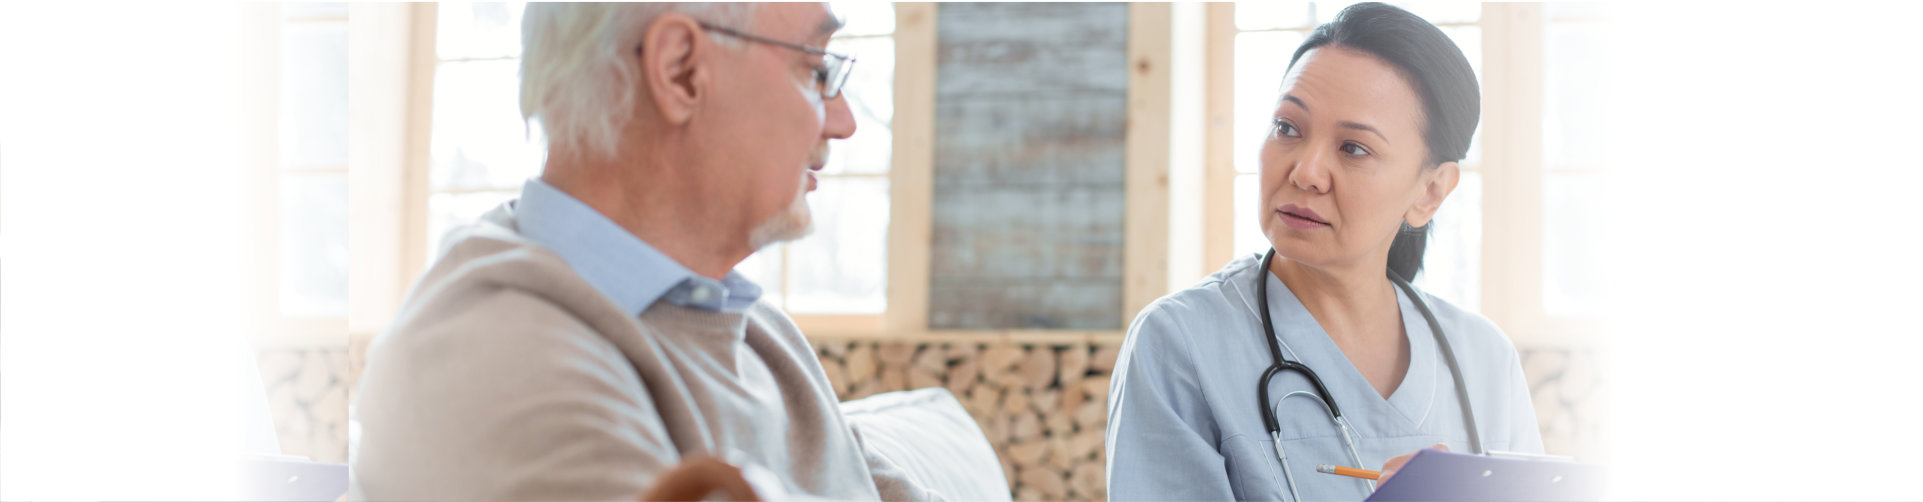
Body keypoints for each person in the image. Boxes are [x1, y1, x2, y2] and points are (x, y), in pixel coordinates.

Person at [350, 3, 935, 500]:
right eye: (815, 70)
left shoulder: (761, 337)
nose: (845, 121)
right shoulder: (490, 360)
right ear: (680, 71)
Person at [1105, 3, 1543, 500]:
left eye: (1354, 148)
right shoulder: (1179, 344)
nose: (1305, 171)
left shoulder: (1483, 358)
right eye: (1287, 128)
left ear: (1430, 192)